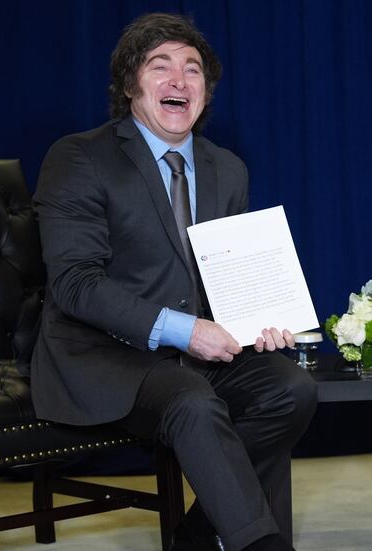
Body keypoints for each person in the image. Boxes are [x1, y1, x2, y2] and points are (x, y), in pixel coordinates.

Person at [31, 13, 315, 551]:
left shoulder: (227, 168)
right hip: (104, 354)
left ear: (206, 91)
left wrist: (258, 321)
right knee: (191, 399)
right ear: (129, 84)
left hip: (195, 355)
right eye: (159, 66)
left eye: (193, 69)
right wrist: (186, 330)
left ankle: (196, 534)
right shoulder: (79, 157)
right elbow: (74, 283)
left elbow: (228, 276)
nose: (178, 80)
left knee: (291, 388)